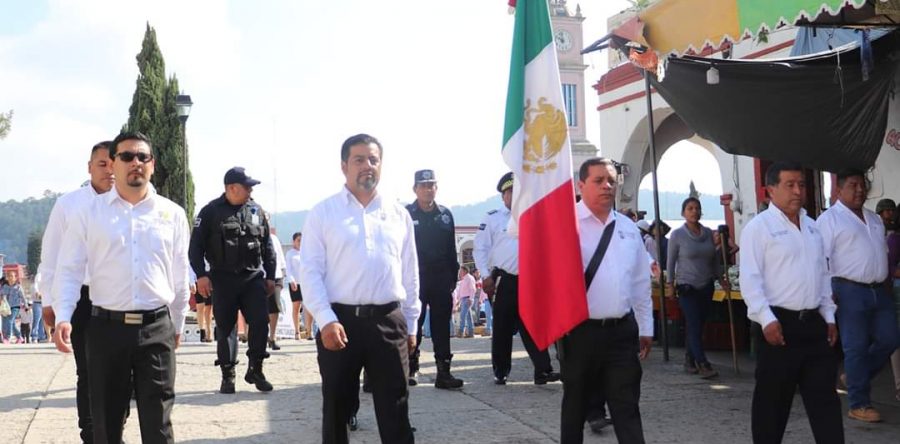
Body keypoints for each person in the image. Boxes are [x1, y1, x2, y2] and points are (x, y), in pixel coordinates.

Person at [52, 131, 190, 444]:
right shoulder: (88, 214)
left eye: (143, 157)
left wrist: (177, 324)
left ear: (152, 165)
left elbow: (181, 276)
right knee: (106, 425)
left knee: (158, 427)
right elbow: (70, 269)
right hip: (106, 330)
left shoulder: (172, 214)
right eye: (127, 156)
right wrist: (63, 314)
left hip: (156, 329)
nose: (135, 163)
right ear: (113, 164)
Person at [298, 133, 420, 444]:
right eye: (359, 159)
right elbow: (310, 271)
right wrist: (325, 319)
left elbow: (410, 272)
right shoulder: (323, 213)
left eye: (374, 160)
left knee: (396, 409)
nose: (368, 166)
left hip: (388, 322)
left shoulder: (398, 214)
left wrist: (412, 321)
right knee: (337, 409)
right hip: (339, 323)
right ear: (344, 166)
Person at [739, 161, 843, 444]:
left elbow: (823, 275)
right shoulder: (758, 228)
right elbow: (750, 279)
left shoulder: (812, 227)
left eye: (802, 184)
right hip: (778, 327)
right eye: (790, 185)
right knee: (772, 407)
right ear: (771, 189)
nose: (798, 191)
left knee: (825, 403)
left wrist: (829, 317)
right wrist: (765, 318)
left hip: (814, 326)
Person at [559, 157, 653, 444]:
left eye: (611, 180)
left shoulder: (627, 228)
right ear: (581, 185)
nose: (607, 186)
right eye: (599, 180)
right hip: (580, 332)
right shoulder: (565, 225)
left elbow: (640, 281)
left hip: (621, 333)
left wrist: (646, 327)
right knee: (575, 406)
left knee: (626, 407)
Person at [37, 139, 114, 442]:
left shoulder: (134, 204)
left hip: (119, 298)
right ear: (89, 167)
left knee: (120, 374)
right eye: (101, 164)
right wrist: (49, 301)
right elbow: (51, 255)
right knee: (89, 372)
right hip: (81, 296)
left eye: (113, 163)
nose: (108, 171)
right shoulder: (69, 204)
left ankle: (113, 428)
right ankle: (91, 434)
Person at [816, 169, 900, 423]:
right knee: (856, 347)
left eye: (862, 185)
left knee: (890, 338)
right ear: (839, 190)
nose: (860, 190)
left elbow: (881, 253)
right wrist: (828, 294)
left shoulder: (874, 219)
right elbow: (820, 259)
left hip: (878, 289)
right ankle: (859, 403)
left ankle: (855, 377)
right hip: (848, 289)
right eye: (853, 185)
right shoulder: (829, 220)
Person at [189, 166, 277, 394]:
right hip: (223, 279)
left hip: (252, 278)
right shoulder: (210, 212)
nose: (250, 191)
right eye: (246, 186)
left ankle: (256, 368)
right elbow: (195, 248)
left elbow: (268, 246)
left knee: (259, 322)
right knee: (226, 328)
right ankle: (228, 375)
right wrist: (201, 275)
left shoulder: (256, 211)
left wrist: (271, 276)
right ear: (231, 188)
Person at [474, 172, 560, 385]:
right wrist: (485, 276)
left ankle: (543, 370)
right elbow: (480, 249)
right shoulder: (493, 218)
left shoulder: (534, 215)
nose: (513, 196)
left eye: (517, 191)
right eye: (509, 192)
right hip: (505, 279)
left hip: (531, 279)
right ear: (503, 196)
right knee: (502, 327)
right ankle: (501, 371)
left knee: (535, 325)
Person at [405, 169, 465, 389]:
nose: (427, 189)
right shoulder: (406, 214)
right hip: (415, 278)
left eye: (431, 185)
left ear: (436, 188)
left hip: (440, 278)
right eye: (423, 185)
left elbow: (451, 249)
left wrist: (453, 276)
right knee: (414, 324)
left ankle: (444, 372)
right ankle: (411, 369)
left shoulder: (446, 214)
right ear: (415, 189)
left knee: (441, 327)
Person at [665, 197, 727, 379]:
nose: (694, 211)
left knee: (700, 325)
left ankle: (689, 359)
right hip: (687, 286)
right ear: (683, 213)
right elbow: (670, 262)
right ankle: (703, 363)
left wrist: (721, 278)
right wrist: (670, 284)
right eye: (690, 208)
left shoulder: (708, 233)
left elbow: (714, 259)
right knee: (693, 323)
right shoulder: (677, 235)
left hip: (706, 285)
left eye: (697, 208)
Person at [267, 224, 288, 351]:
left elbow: (280, 256)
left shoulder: (274, 238)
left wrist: (283, 272)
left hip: (276, 275)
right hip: (260, 275)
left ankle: (272, 337)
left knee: (275, 305)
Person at [286, 232, 309, 340]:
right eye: (298, 240)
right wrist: (292, 281)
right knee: (296, 307)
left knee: (308, 307)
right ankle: (297, 331)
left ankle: (309, 331)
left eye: (302, 240)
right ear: (293, 241)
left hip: (306, 283)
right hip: (295, 283)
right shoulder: (290, 254)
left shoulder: (307, 252)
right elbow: (288, 269)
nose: (300, 242)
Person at [1, 270, 25, 343]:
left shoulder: (18, 287)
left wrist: (26, 305)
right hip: (6, 308)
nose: (11, 278)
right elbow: (1, 295)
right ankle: (19, 337)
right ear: (7, 278)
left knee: (10, 321)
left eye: (12, 276)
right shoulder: (5, 286)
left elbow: (23, 296)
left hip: (15, 307)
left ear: (15, 278)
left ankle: (7, 338)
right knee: (11, 323)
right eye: (9, 276)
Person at [455, 266, 477, 338]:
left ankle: (461, 331)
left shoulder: (469, 278)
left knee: (463, 315)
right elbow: (460, 290)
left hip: (467, 298)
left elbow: (473, 289)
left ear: (465, 271)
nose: (460, 272)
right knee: (468, 317)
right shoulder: (464, 279)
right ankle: (471, 332)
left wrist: (471, 298)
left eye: (461, 271)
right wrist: (458, 300)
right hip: (463, 299)